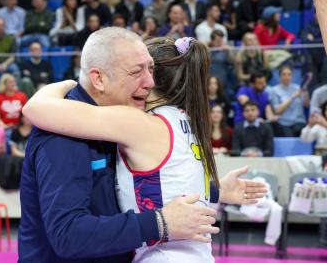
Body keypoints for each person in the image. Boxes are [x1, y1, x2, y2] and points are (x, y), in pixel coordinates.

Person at [19, 28, 266, 262]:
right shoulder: (64, 134)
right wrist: (159, 222)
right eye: (137, 71)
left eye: (151, 69)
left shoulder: (125, 120)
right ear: (99, 78)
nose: (149, 82)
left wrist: (212, 191)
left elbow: (150, 180)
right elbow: (67, 235)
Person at [269, 65, 308, 137]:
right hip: (283, 123)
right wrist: (292, 97)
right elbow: (277, 110)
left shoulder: (298, 88)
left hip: (299, 121)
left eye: (289, 74)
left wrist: (305, 93)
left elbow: (306, 105)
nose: (287, 77)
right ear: (280, 76)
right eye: (284, 74)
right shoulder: (274, 90)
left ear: (292, 76)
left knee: (302, 132)